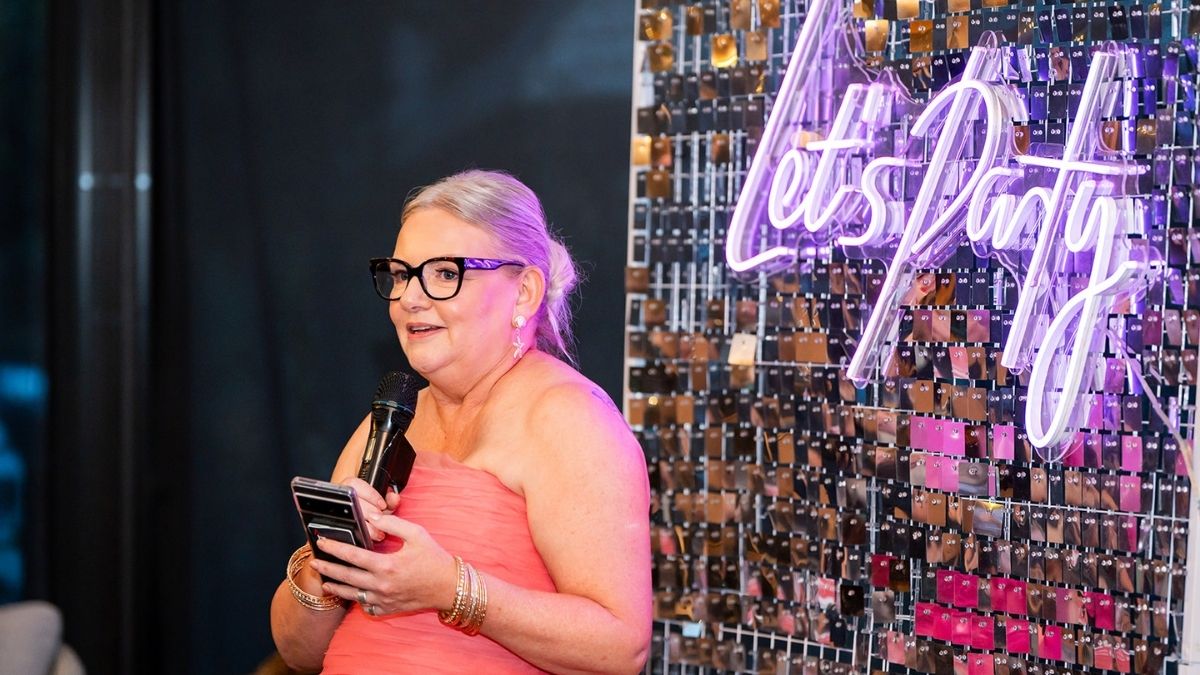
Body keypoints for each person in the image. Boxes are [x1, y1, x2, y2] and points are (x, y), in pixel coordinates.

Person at [269, 170, 652, 674]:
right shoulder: (386, 425)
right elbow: (299, 652)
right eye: (401, 273)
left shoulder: (568, 418)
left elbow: (619, 649)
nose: (409, 298)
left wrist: (451, 588)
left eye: (445, 273)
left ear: (524, 293)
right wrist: (327, 564)